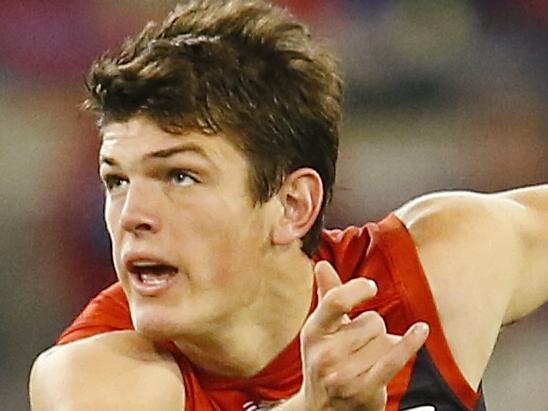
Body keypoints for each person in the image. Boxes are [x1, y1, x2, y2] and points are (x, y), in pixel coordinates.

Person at [29, 1, 547, 410]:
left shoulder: (433, 273)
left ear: (292, 205)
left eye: (180, 176)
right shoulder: (91, 378)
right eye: (116, 180)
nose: (131, 214)